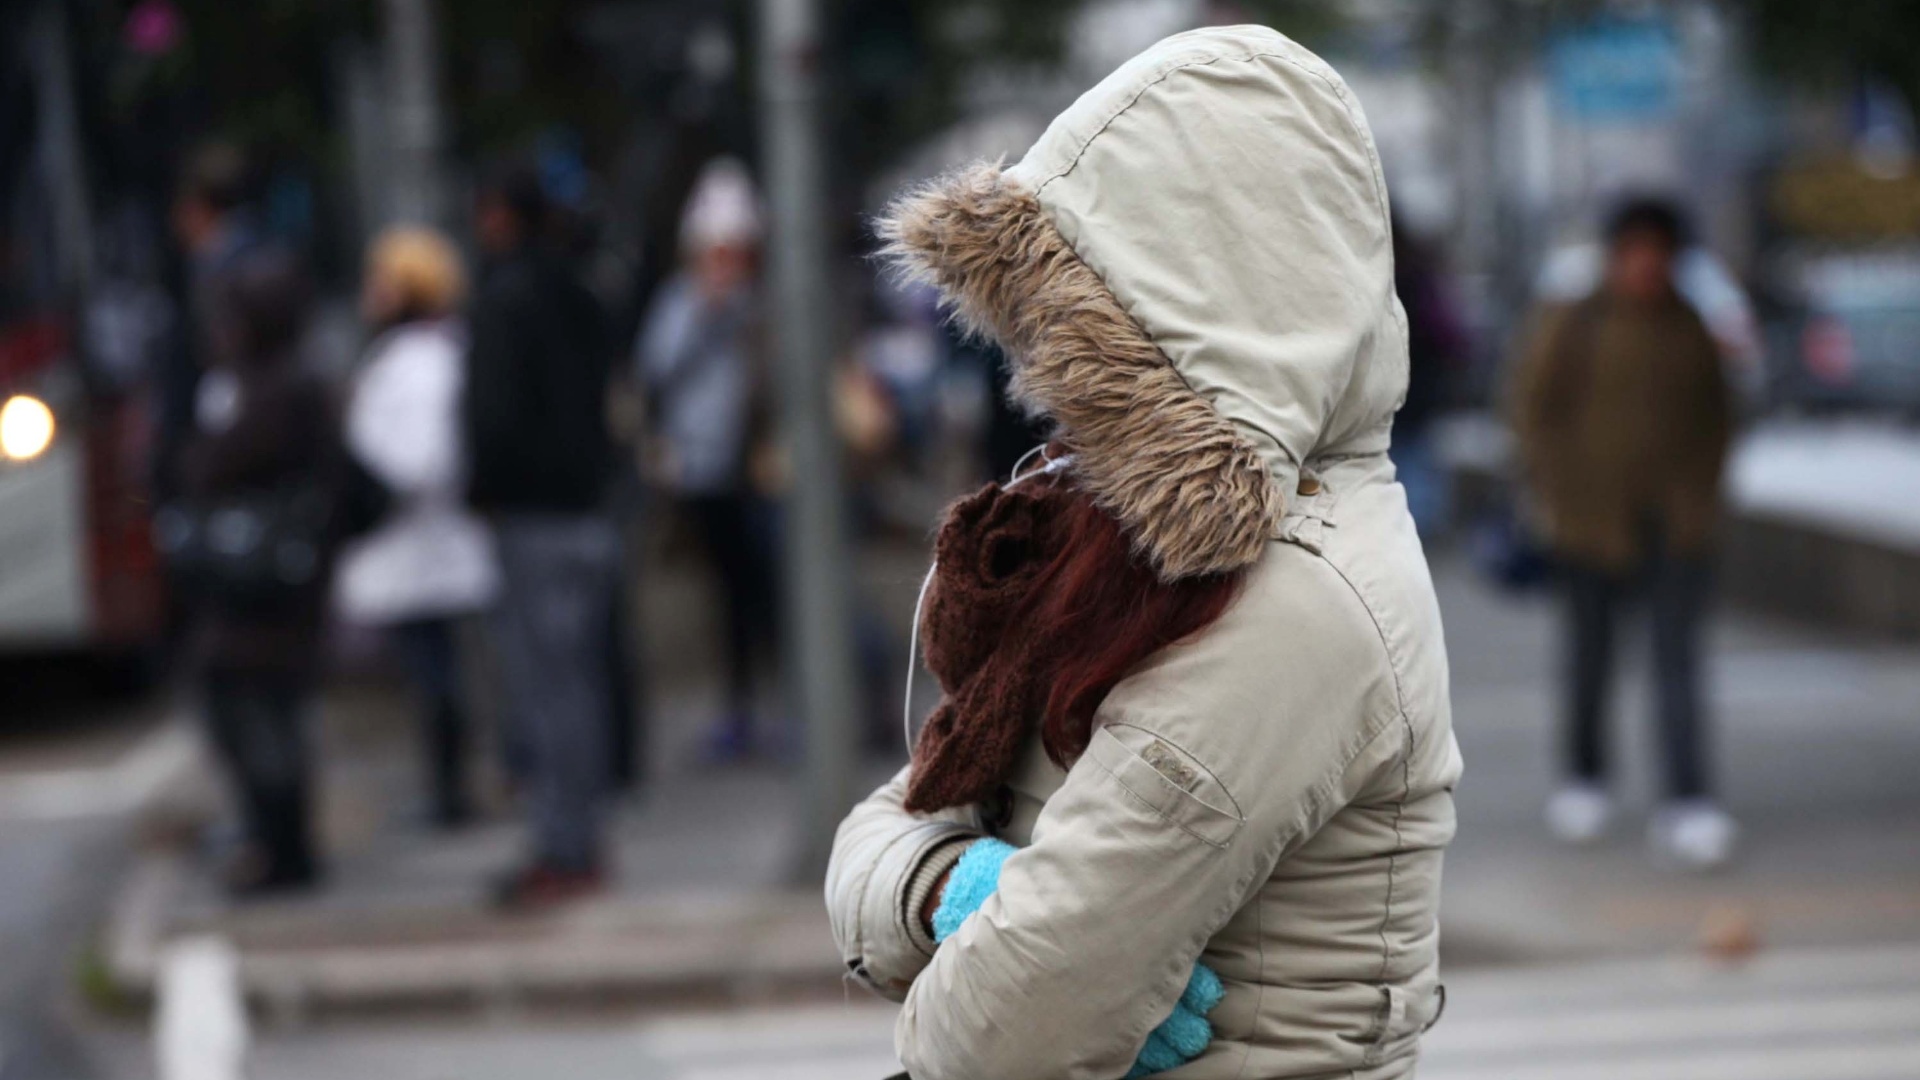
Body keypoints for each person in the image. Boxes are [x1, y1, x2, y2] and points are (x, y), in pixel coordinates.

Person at [826, 26, 1459, 1079]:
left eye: (1089, 326)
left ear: (1192, 313)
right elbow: (883, 823)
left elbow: (1000, 1035)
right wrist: (948, 890)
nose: (1049, 375)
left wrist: (951, 893)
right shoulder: (1123, 546)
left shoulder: (1293, 603)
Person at [1510, 197, 1737, 868]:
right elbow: (1530, 410)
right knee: (1589, 659)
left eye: (1658, 251)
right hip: (1587, 523)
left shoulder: (1692, 326)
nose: (1646, 265)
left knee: (1678, 665)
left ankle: (1689, 798)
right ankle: (1584, 778)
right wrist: (1556, 493)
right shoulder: (1573, 322)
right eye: (1634, 250)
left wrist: (1702, 499)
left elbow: (1719, 418)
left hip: (1675, 525)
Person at [463, 165, 620, 908]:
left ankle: (565, 845)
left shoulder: (505, 300)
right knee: (577, 684)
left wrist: (484, 484)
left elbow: (491, 420)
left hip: (532, 517)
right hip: (586, 507)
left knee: (546, 693)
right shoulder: (580, 292)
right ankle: (578, 836)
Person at [177, 248, 338, 895]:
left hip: (268, 583)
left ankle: (282, 847)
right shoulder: (267, 382)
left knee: (260, 716)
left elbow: (214, 464)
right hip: (264, 581)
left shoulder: (277, 389)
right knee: (256, 711)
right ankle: (274, 839)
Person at [335, 227, 498, 828]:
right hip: (421, 543)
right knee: (435, 673)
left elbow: (423, 458)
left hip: (423, 541)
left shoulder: (422, 360)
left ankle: (451, 793)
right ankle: (448, 788)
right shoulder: (421, 352)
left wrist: (372, 485)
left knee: (438, 677)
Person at [636, 157, 780, 760]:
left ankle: (769, 708)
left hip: (758, 472)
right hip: (703, 473)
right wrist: (705, 315)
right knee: (726, 598)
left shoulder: (763, 306)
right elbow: (655, 370)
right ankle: (739, 710)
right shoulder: (680, 305)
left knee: (765, 594)